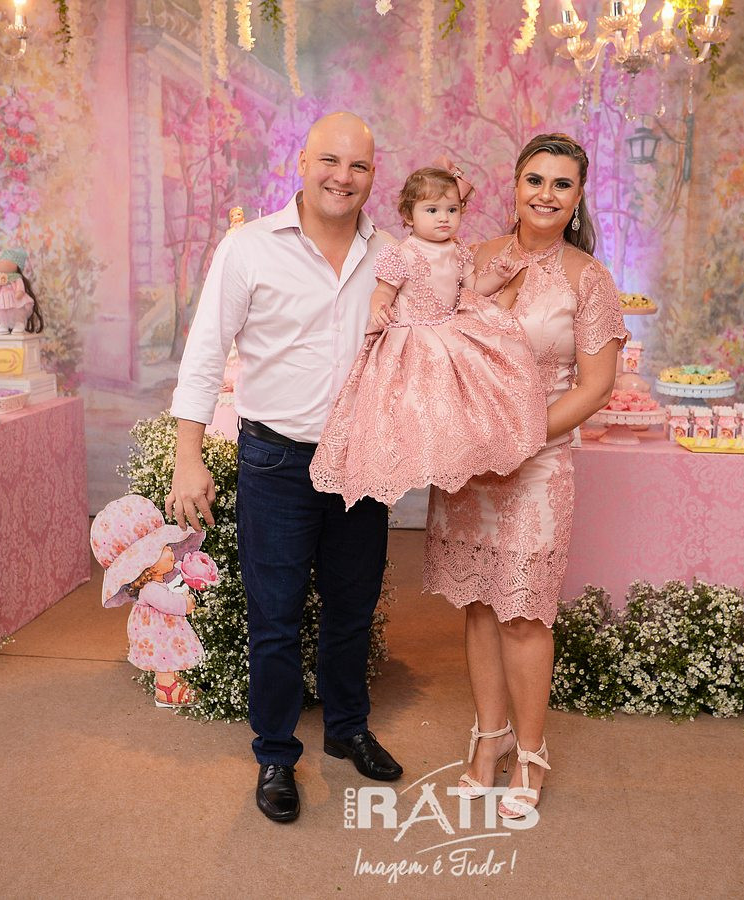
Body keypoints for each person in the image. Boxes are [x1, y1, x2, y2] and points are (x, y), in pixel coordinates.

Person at [167, 112, 402, 825]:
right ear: (301, 163)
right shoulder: (248, 248)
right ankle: (275, 753)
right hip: (275, 459)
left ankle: (347, 728)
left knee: (352, 608)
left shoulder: (393, 256)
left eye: (358, 166)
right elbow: (205, 352)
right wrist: (187, 457)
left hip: (361, 460)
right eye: (330, 161)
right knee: (275, 618)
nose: (342, 177)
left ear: (373, 175)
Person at [423, 133, 627, 820]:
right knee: (480, 606)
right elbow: (434, 344)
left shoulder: (587, 279)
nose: (545, 194)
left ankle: (531, 751)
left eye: (561, 184)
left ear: (577, 198)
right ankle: (489, 738)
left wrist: (518, 438)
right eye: (534, 179)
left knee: (522, 613)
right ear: (514, 185)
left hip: (537, 463)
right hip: (469, 465)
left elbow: (596, 386)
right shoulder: (473, 259)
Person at [309, 164, 547, 508]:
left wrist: (498, 275)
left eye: (452, 210)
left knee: (459, 401)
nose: (444, 218)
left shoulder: (457, 250)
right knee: (408, 405)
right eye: (432, 210)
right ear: (409, 216)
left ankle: (456, 452)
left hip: (448, 331)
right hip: (411, 338)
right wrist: (379, 307)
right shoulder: (402, 252)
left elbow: (474, 288)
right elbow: (384, 290)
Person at [90, 494, 215, 708]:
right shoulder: (149, 589)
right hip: (157, 632)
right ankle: (166, 690)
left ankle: (170, 682)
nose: (170, 550)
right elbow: (167, 603)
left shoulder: (155, 583)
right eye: (162, 549)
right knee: (163, 655)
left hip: (161, 629)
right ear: (146, 564)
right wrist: (184, 604)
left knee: (168, 656)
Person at [0, 248, 44, 335]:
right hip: (2, 300)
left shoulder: (17, 279)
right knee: (3, 311)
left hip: (15, 298)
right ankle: (3, 324)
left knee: (18, 311)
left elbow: (20, 287)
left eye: (5, 259)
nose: (1, 262)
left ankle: (19, 323)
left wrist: (20, 292)